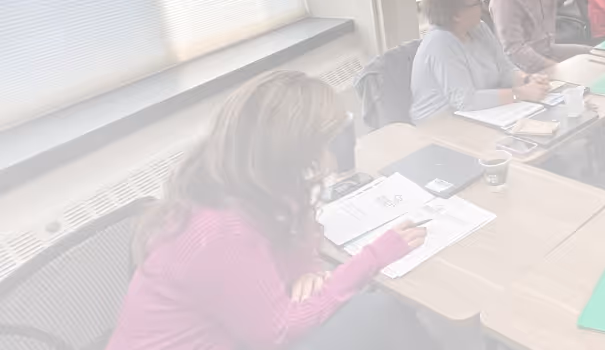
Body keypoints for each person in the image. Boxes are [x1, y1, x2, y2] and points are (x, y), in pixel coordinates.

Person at [108, 71, 437, 350]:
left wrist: (307, 270)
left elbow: (303, 232)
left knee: (378, 316)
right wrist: (373, 258)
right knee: (379, 314)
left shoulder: (254, 183)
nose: (328, 153)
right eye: (324, 141)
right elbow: (278, 330)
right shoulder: (219, 228)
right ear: (292, 150)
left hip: (236, 333)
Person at [411, 0, 550, 123]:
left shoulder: (479, 28)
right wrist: (521, 93)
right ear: (456, 14)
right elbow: (466, 100)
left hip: (480, 114)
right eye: (477, 2)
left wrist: (528, 80)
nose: (484, 6)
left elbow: (505, 70)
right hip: (439, 124)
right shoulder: (440, 43)